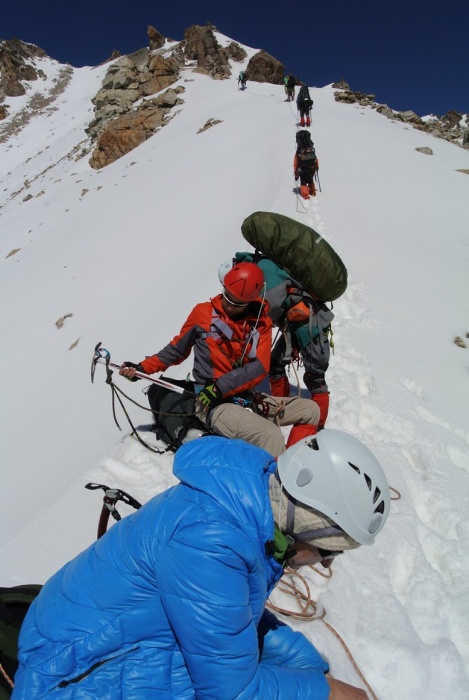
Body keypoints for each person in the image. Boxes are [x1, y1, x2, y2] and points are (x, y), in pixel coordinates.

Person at [13, 432, 390, 699]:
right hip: (69, 672)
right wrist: (328, 693)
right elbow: (234, 693)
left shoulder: (251, 505)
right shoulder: (214, 541)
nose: (324, 563)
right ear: (304, 524)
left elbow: (233, 613)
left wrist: (303, 661)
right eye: (329, 551)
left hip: (91, 637)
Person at [120, 262, 320, 457]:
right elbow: (175, 351)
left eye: (237, 303)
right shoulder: (203, 314)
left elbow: (260, 367)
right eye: (227, 296)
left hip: (246, 398)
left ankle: (293, 464)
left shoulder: (260, 324)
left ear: (250, 301)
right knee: (270, 434)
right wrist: (142, 368)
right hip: (211, 404)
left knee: (310, 410)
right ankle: (276, 486)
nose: (229, 305)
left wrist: (221, 387)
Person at [294, 131, 319, 199]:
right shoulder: (310, 148)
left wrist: (296, 173)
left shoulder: (299, 151)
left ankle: (305, 195)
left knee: (303, 181)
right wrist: (316, 166)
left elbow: (296, 162)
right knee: (310, 179)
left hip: (303, 168)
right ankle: (312, 191)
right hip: (312, 167)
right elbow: (315, 158)